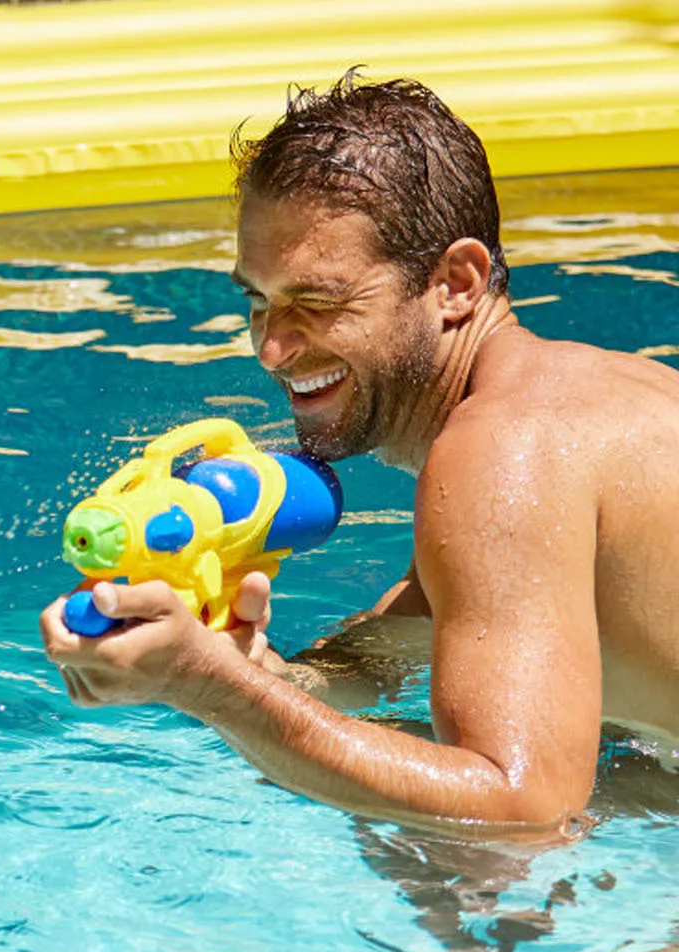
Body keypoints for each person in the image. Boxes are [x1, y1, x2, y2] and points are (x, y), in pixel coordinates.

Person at [40, 74, 679, 833]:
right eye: (258, 302)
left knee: (439, 856)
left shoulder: (504, 451)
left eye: (317, 303)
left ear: (456, 283)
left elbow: (522, 812)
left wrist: (207, 686)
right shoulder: (584, 401)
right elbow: (386, 653)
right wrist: (252, 669)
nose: (272, 349)